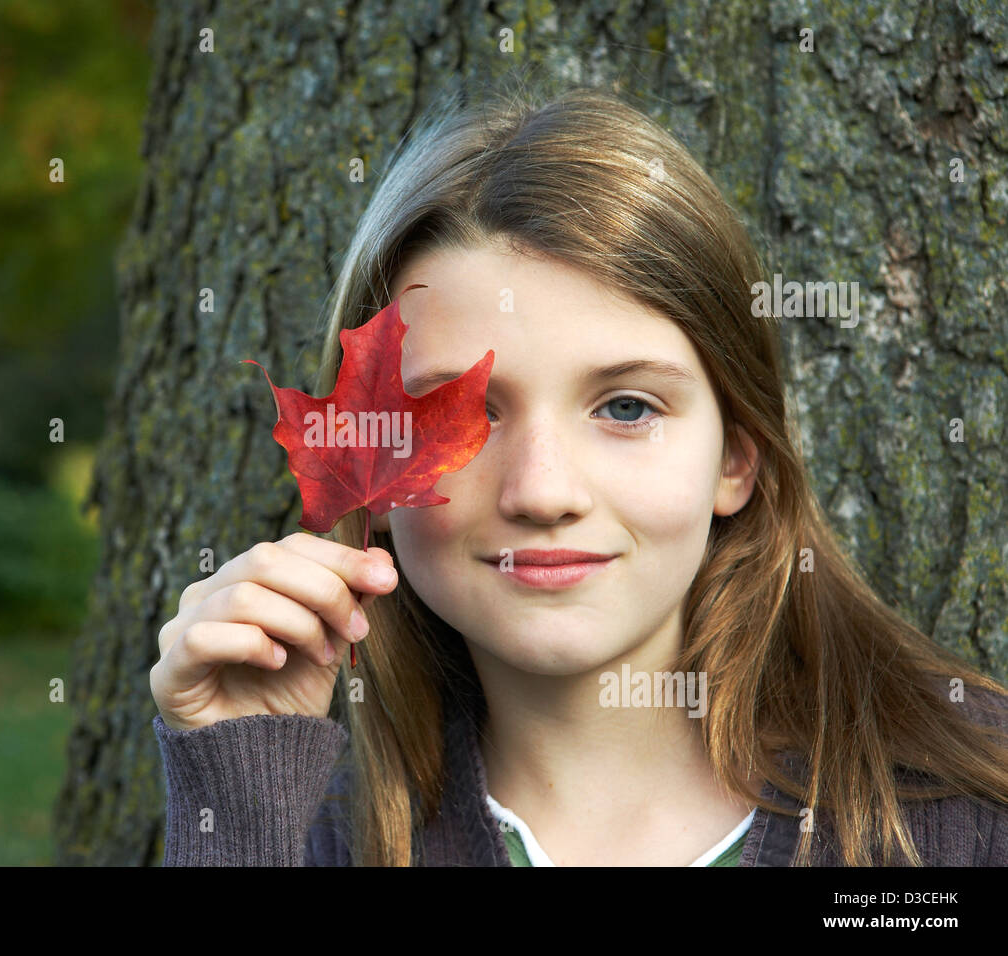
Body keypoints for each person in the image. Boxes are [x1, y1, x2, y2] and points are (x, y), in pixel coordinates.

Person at [149, 74, 1008, 866]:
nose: (543, 492)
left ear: (737, 458)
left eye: (627, 408)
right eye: (463, 417)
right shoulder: (310, 836)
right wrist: (241, 796)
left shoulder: (959, 824)